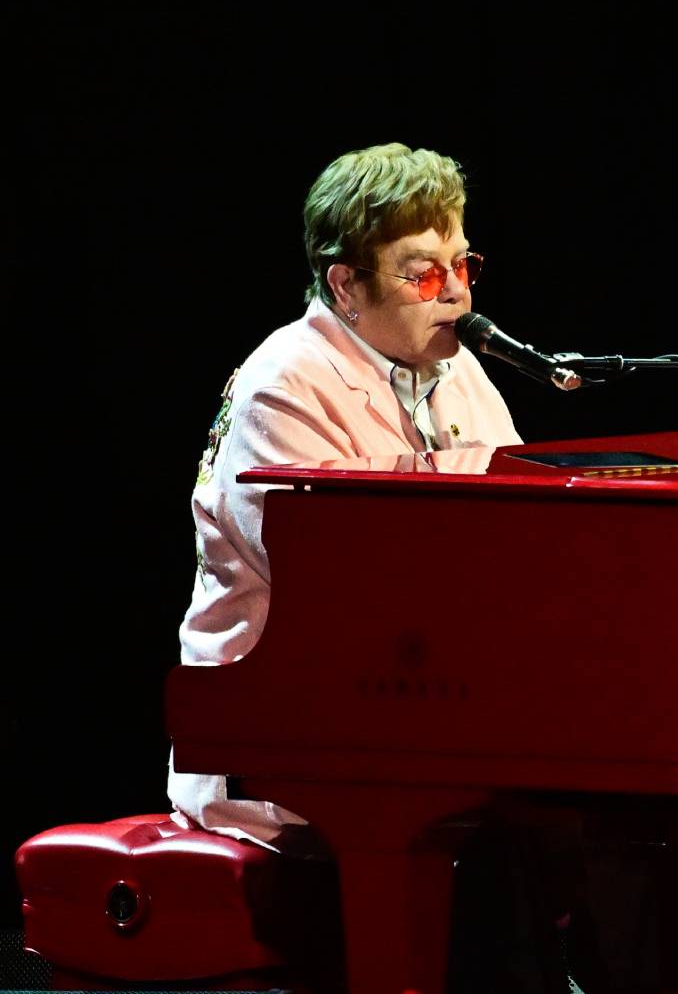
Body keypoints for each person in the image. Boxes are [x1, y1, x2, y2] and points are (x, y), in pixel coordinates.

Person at [170, 141, 521, 845]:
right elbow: (340, 591)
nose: (459, 293)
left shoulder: (461, 374)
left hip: (411, 709)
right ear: (346, 287)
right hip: (284, 736)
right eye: (424, 276)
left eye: (464, 266)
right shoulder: (285, 385)